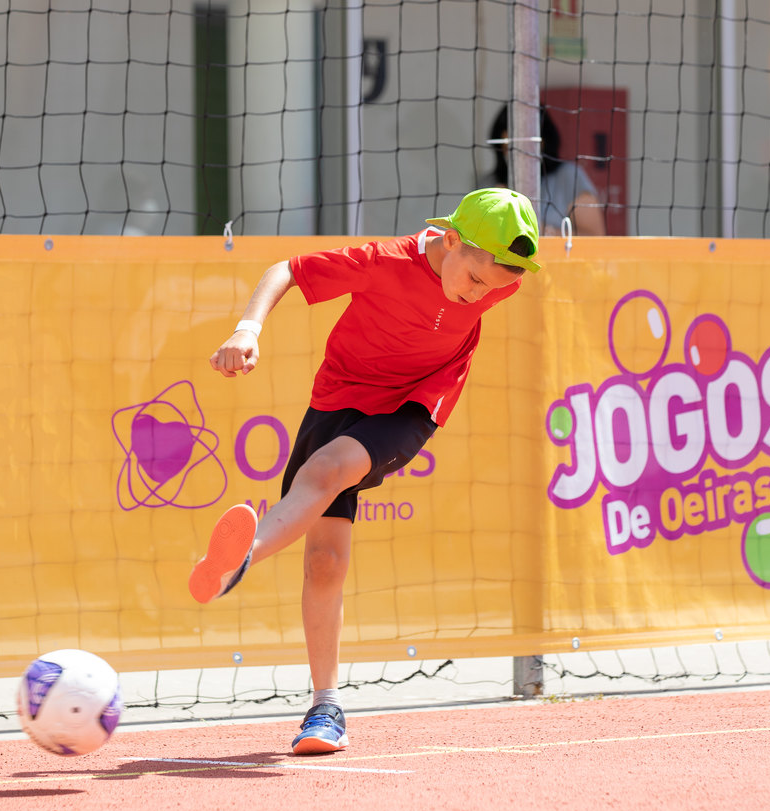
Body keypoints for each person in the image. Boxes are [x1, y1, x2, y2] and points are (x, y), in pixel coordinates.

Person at [190, 188, 541, 754]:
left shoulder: (501, 278)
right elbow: (286, 271)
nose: (481, 294)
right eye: (475, 279)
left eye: (493, 287)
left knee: (329, 468)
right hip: (337, 400)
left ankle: (244, 552)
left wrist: (483, 284)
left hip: (412, 408)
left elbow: (480, 291)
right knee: (325, 561)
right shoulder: (386, 262)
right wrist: (247, 329)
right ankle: (325, 710)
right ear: (450, 240)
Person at [489, 104, 607, 237]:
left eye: (524, 145)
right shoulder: (489, 185)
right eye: (509, 147)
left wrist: (543, 231)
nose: (517, 153)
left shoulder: (569, 177)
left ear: (543, 141)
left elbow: (595, 236)